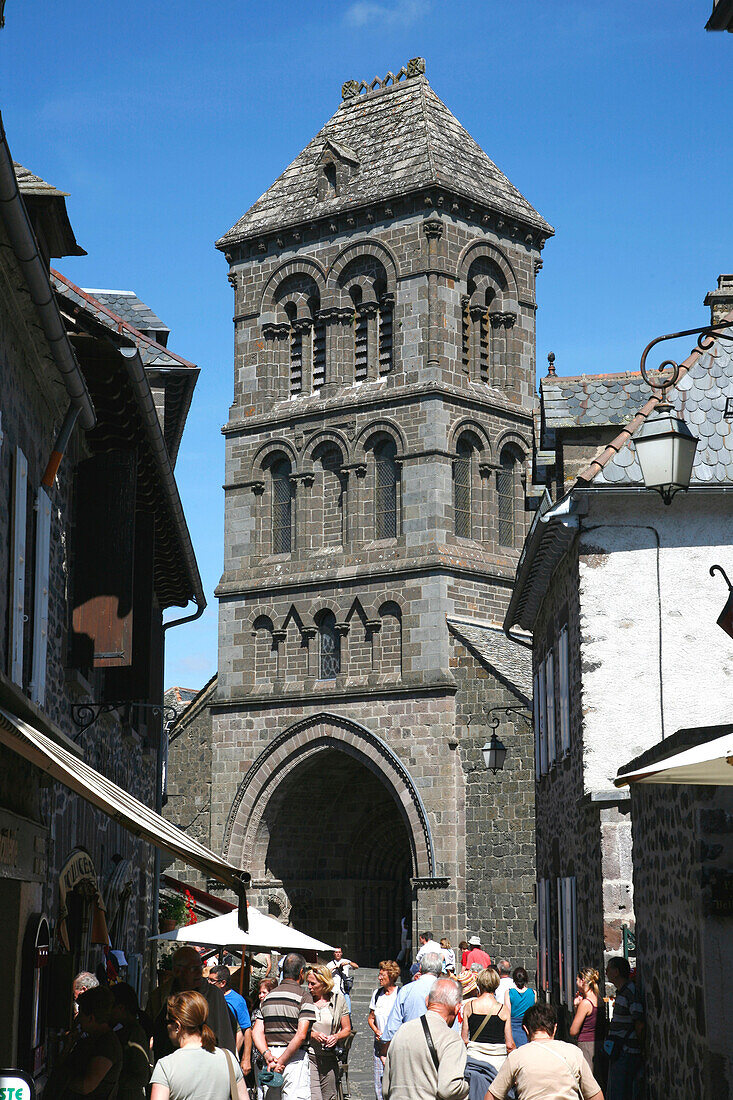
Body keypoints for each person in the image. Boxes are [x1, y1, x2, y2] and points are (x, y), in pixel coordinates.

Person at [488, 1003, 604, 1100]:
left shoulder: (517, 1056)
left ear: (526, 1030)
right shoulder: (574, 1053)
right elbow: (596, 1096)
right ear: (555, 1028)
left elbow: (492, 1096)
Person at [150, 990, 246, 1100]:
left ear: (177, 1026)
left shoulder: (166, 1066)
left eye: (167, 1022)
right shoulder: (228, 1058)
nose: (166, 1027)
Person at [382, 978, 468, 1100]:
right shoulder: (450, 1039)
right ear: (457, 1008)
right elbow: (448, 1089)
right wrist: (467, 1085)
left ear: (427, 1001)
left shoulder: (401, 1031)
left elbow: (386, 1089)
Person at [149, 947, 237, 1061]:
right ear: (177, 971)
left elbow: (225, 1035)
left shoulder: (214, 994)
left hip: (207, 1064)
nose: (199, 972)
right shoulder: (162, 994)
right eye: (193, 968)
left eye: (200, 967)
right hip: (173, 1064)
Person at [253, 952, 315, 1100]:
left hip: (271, 1058)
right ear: (301, 972)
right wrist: (281, 1061)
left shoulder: (268, 997)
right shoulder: (304, 997)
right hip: (294, 1058)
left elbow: (256, 1032)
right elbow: (301, 1035)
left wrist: (268, 1056)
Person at [63, 985, 123, 1099]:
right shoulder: (91, 1039)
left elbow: (86, 1086)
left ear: (91, 1018)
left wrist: (61, 1079)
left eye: (81, 1014)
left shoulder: (107, 1044)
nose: (78, 1019)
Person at [461, 967, 511, 1100]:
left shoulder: (469, 1007)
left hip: (474, 1061)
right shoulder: (503, 1010)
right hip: (498, 1063)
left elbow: (464, 1039)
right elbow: (510, 1044)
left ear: (479, 983)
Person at [306, 964, 351, 1100]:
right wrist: (313, 1035)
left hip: (330, 1057)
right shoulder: (306, 1000)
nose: (309, 987)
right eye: (308, 983)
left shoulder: (338, 1000)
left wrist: (335, 1037)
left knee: (329, 1096)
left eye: (313, 984)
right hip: (310, 1056)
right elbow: (298, 1029)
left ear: (324, 983)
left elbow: (347, 1029)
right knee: (314, 1097)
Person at [381, 952, 443, 1047]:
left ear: (421, 968)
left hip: (411, 1046)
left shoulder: (406, 990)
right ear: (440, 971)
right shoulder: (447, 991)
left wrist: (385, 1047)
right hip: (439, 1047)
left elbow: (393, 1026)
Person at [605, 957, 643, 1100]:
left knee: (620, 1093)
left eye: (608, 969)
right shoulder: (622, 991)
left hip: (627, 1051)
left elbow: (639, 1022)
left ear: (616, 972)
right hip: (620, 1051)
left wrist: (641, 1046)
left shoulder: (629, 992)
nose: (606, 972)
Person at [208, 965, 253, 1075]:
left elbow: (246, 1030)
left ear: (223, 983)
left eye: (212, 980)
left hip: (228, 1052)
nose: (208, 983)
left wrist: (246, 1058)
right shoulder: (207, 997)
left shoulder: (237, 1000)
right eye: (207, 979)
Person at [111, 982, 153, 1100]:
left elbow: (141, 1077)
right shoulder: (123, 1030)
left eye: (111, 1007)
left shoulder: (135, 1034)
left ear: (121, 1008)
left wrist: (113, 1080)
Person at [368, 960, 400, 1100]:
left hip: (395, 1045)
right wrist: (376, 1030)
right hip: (379, 1044)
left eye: (382, 975)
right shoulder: (377, 994)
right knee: (379, 1085)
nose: (379, 978)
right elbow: (370, 1018)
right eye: (379, 975)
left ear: (392, 976)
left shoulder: (400, 994)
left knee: (396, 1081)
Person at [569, 968, 602, 1074]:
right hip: (600, 1043)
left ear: (583, 980)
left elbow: (573, 1031)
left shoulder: (585, 1003)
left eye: (577, 980)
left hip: (586, 1045)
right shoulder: (600, 1000)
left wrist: (576, 1006)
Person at [252, 978, 279, 1095]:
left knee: (270, 1088)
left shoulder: (274, 1011)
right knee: (259, 1089)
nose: (261, 995)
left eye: (264, 992)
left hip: (270, 1055)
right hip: (257, 1055)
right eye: (260, 992)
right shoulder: (256, 1010)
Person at [505, 967, 535, 1049]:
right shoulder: (533, 993)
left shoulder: (509, 993)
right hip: (528, 1027)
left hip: (514, 1027)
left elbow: (508, 1013)